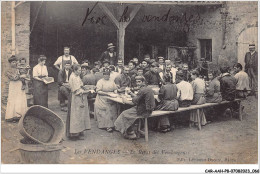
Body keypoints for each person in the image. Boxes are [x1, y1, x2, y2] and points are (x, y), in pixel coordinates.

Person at [66, 64, 91, 140]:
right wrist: (86, 91)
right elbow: (76, 90)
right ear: (74, 70)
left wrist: (85, 88)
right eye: (79, 70)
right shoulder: (72, 77)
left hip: (79, 97)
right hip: (75, 97)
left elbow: (80, 85)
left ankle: (79, 131)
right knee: (75, 116)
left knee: (80, 115)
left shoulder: (77, 76)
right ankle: (74, 134)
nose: (80, 72)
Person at [5, 55, 27, 122]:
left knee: (19, 99)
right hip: (13, 85)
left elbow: (24, 76)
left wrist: (23, 81)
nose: (15, 63)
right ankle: (12, 116)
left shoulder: (19, 69)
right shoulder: (8, 70)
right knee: (12, 99)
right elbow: (13, 78)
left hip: (19, 84)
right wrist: (21, 76)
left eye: (15, 62)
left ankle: (19, 115)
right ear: (10, 63)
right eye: (13, 62)